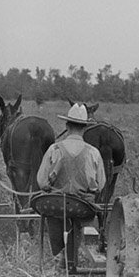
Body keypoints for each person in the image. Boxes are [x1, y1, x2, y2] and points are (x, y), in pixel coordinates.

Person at [36, 103, 107, 263]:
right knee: (84, 219)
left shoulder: (54, 149)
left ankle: (59, 256)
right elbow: (100, 184)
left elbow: (41, 181)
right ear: (84, 128)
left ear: (67, 126)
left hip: (55, 204)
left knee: (53, 215)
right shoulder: (93, 152)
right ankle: (73, 258)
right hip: (82, 206)